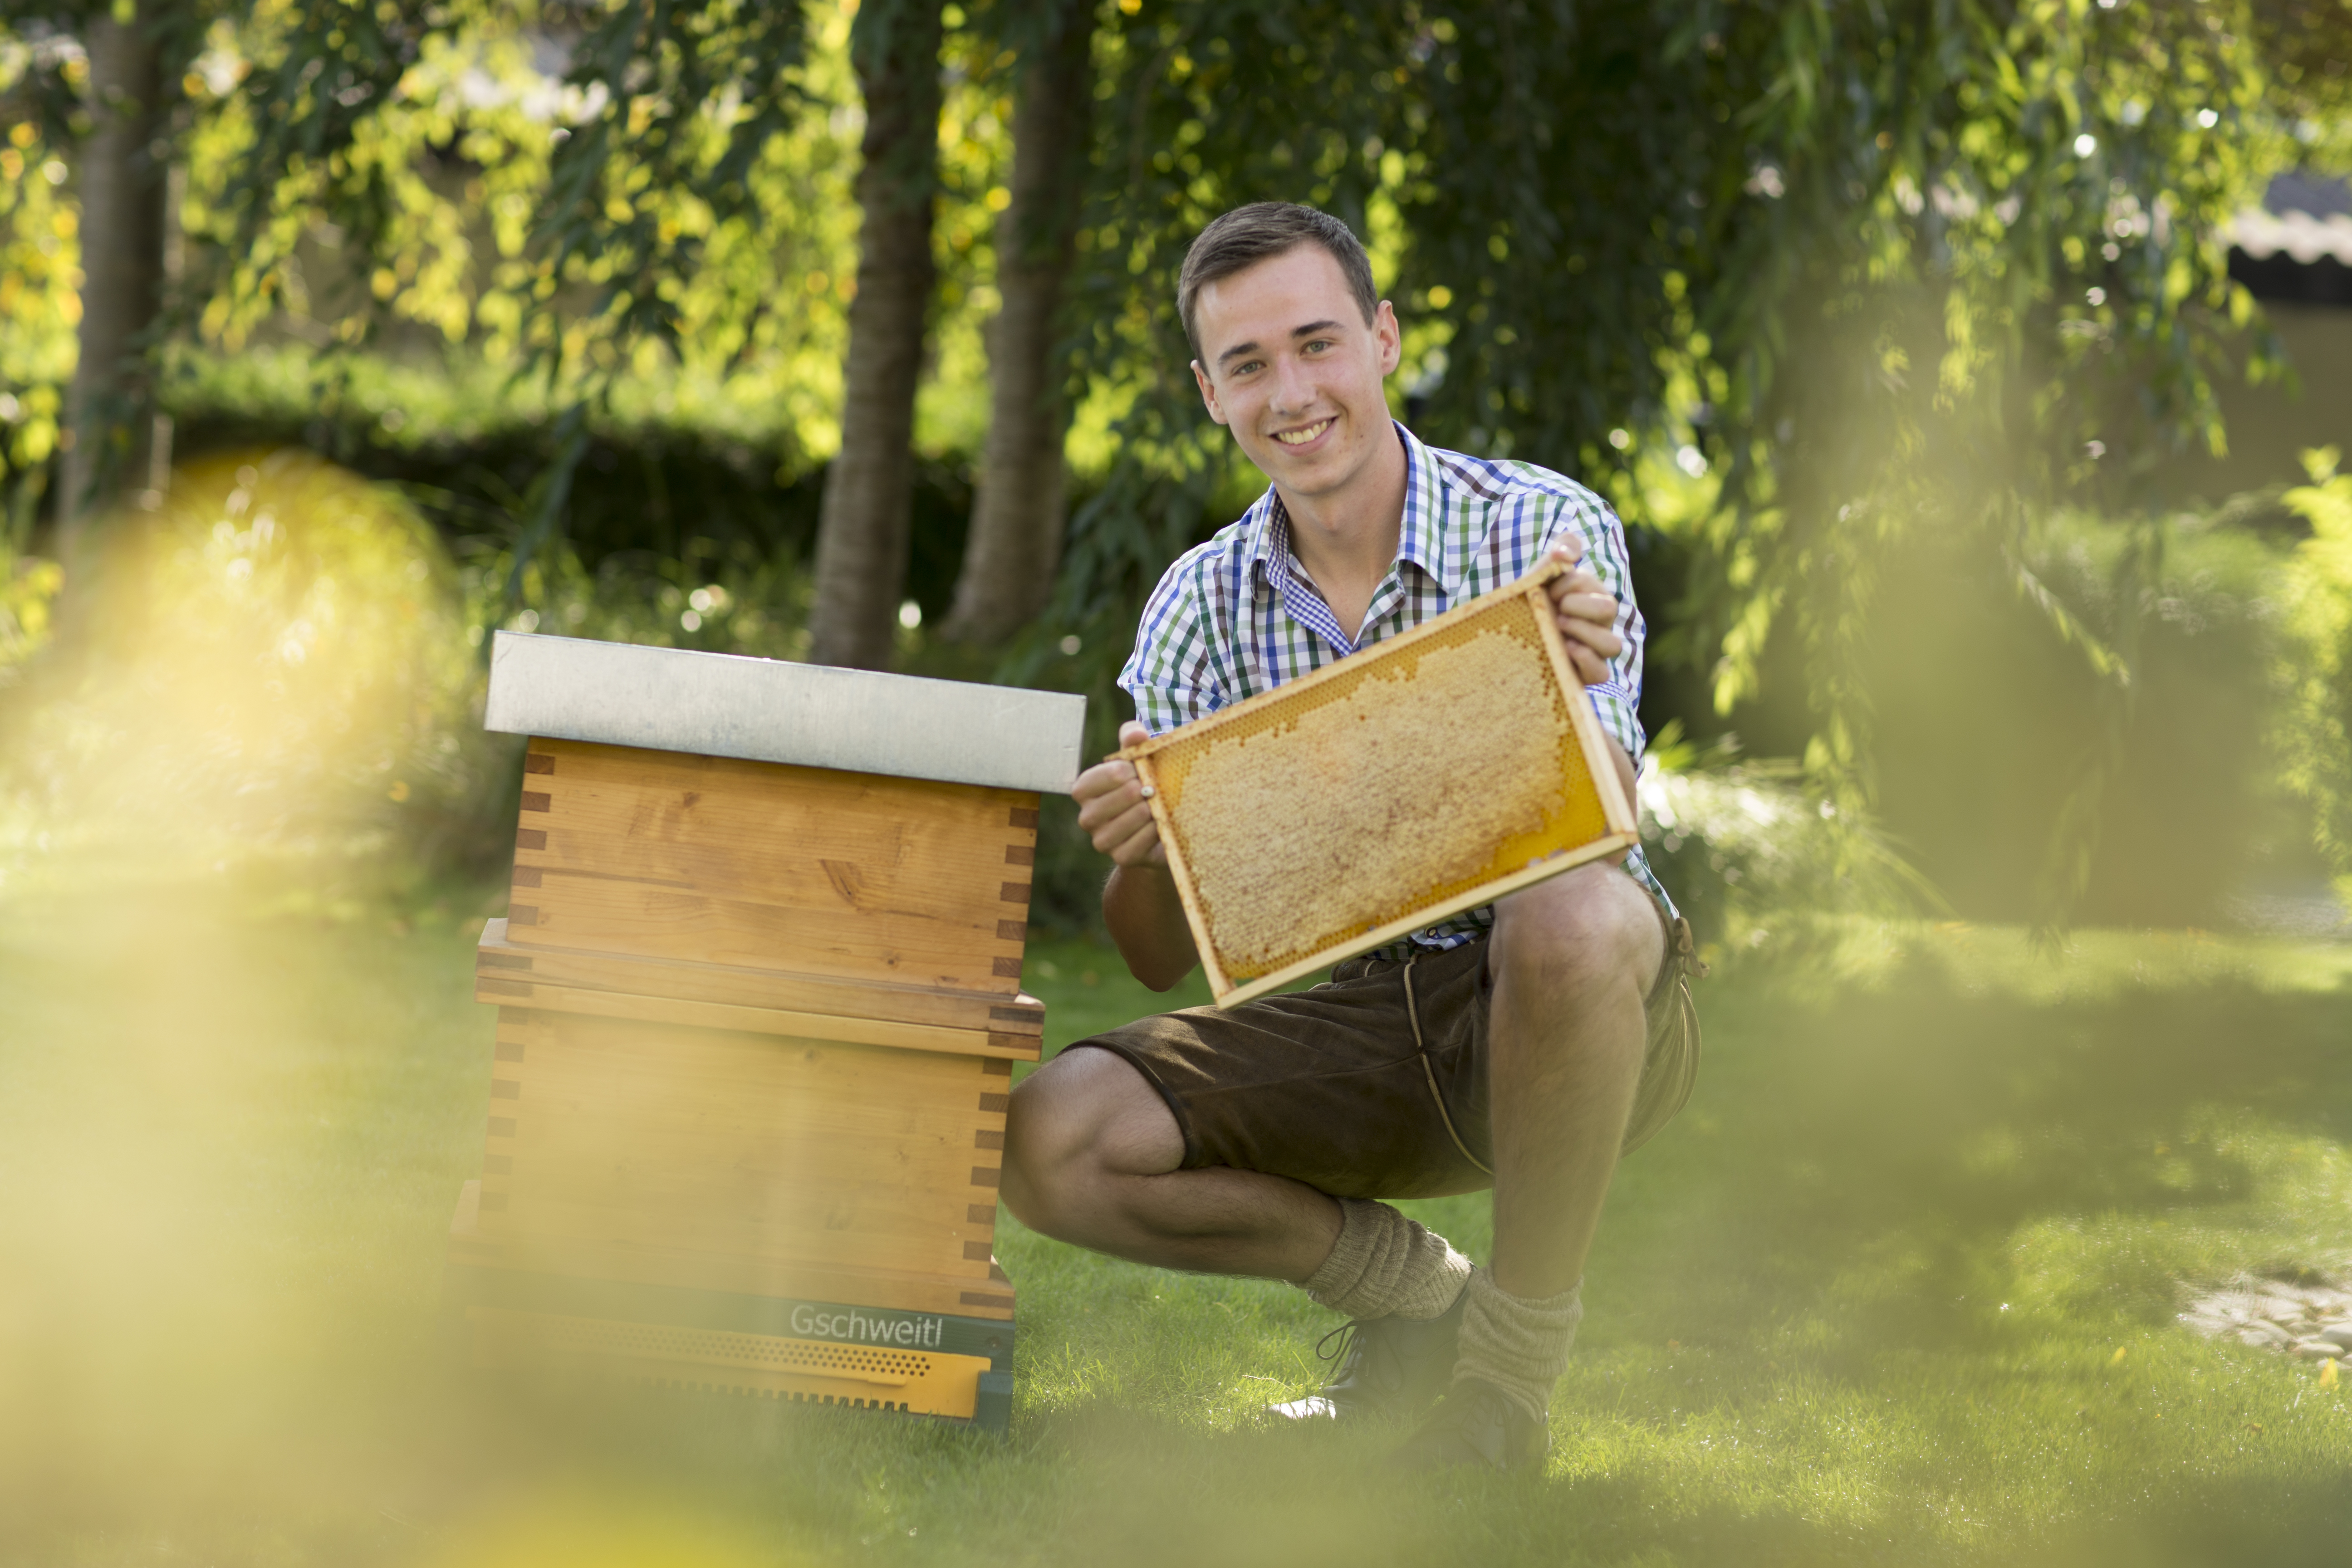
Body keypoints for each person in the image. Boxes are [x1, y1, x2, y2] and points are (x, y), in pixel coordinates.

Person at [1000, 201, 1700, 1474]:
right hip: (1374, 1017)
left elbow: (1609, 823)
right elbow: (1158, 958)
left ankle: (1505, 1388)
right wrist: (1144, 845)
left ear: (1382, 341)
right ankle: (1416, 1299)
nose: (1293, 392)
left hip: (1579, 1004)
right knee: (1052, 1138)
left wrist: (1552, 674)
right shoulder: (1198, 607)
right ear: (1209, 392)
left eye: (1318, 343)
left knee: (1569, 910)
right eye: (1251, 365)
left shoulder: (1535, 527)